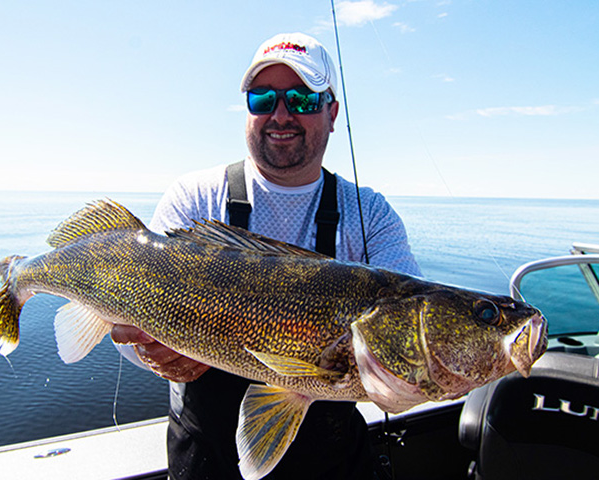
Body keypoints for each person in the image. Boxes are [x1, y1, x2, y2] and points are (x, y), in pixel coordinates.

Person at [112, 32, 421, 479]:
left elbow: (403, 339)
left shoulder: (370, 214)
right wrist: (149, 352)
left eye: (301, 98)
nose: (281, 114)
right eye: (263, 98)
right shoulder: (194, 198)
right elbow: (126, 317)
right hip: (207, 458)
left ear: (332, 113)